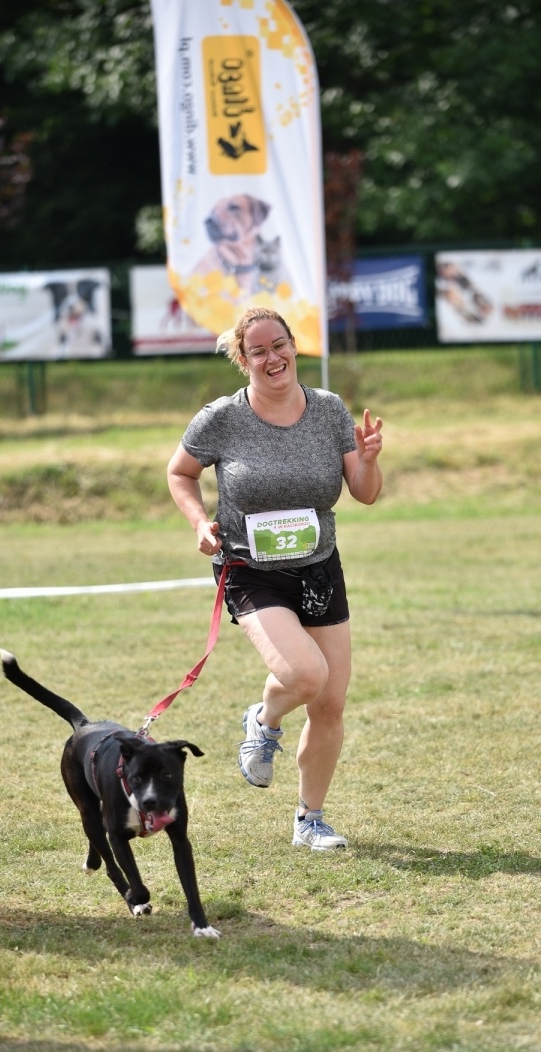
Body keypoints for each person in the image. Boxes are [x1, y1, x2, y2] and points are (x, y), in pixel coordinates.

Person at [167, 306, 383, 850]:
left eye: (279, 345)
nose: (272, 358)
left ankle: (310, 818)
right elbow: (180, 472)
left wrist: (371, 458)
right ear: (243, 360)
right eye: (258, 350)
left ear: (293, 346)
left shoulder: (329, 410)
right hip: (250, 571)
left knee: (330, 701)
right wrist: (199, 521)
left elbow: (364, 491)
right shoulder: (222, 418)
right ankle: (263, 720)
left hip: (319, 566)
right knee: (306, 675)